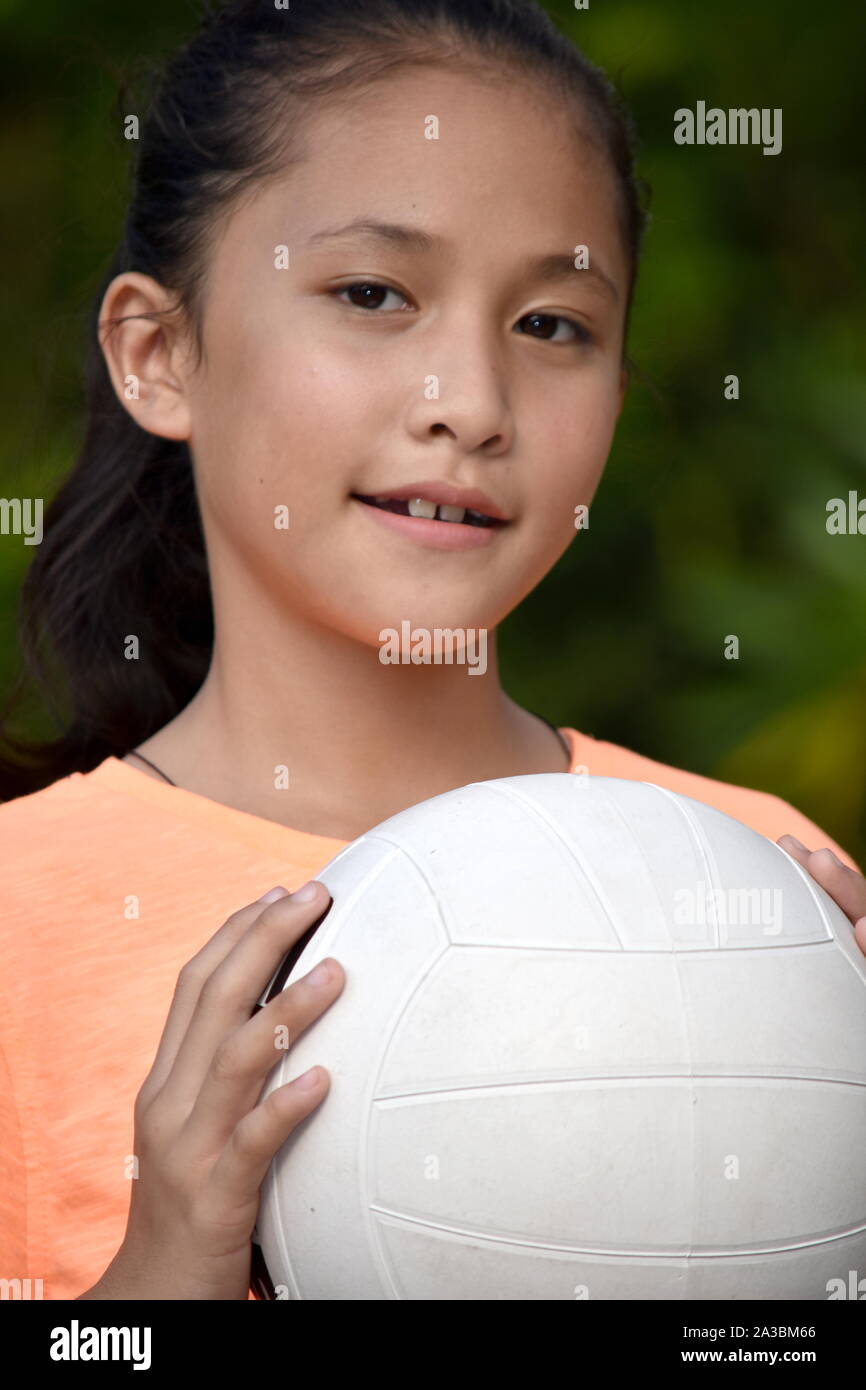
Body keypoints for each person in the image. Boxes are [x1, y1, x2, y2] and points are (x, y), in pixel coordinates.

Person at [1, 0, 864, 1301]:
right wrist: (173, 1261)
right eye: (370, 294)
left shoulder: (770, 891)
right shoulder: (21, 919)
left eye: (552, 324)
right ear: (160, 351)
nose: (467, 402)